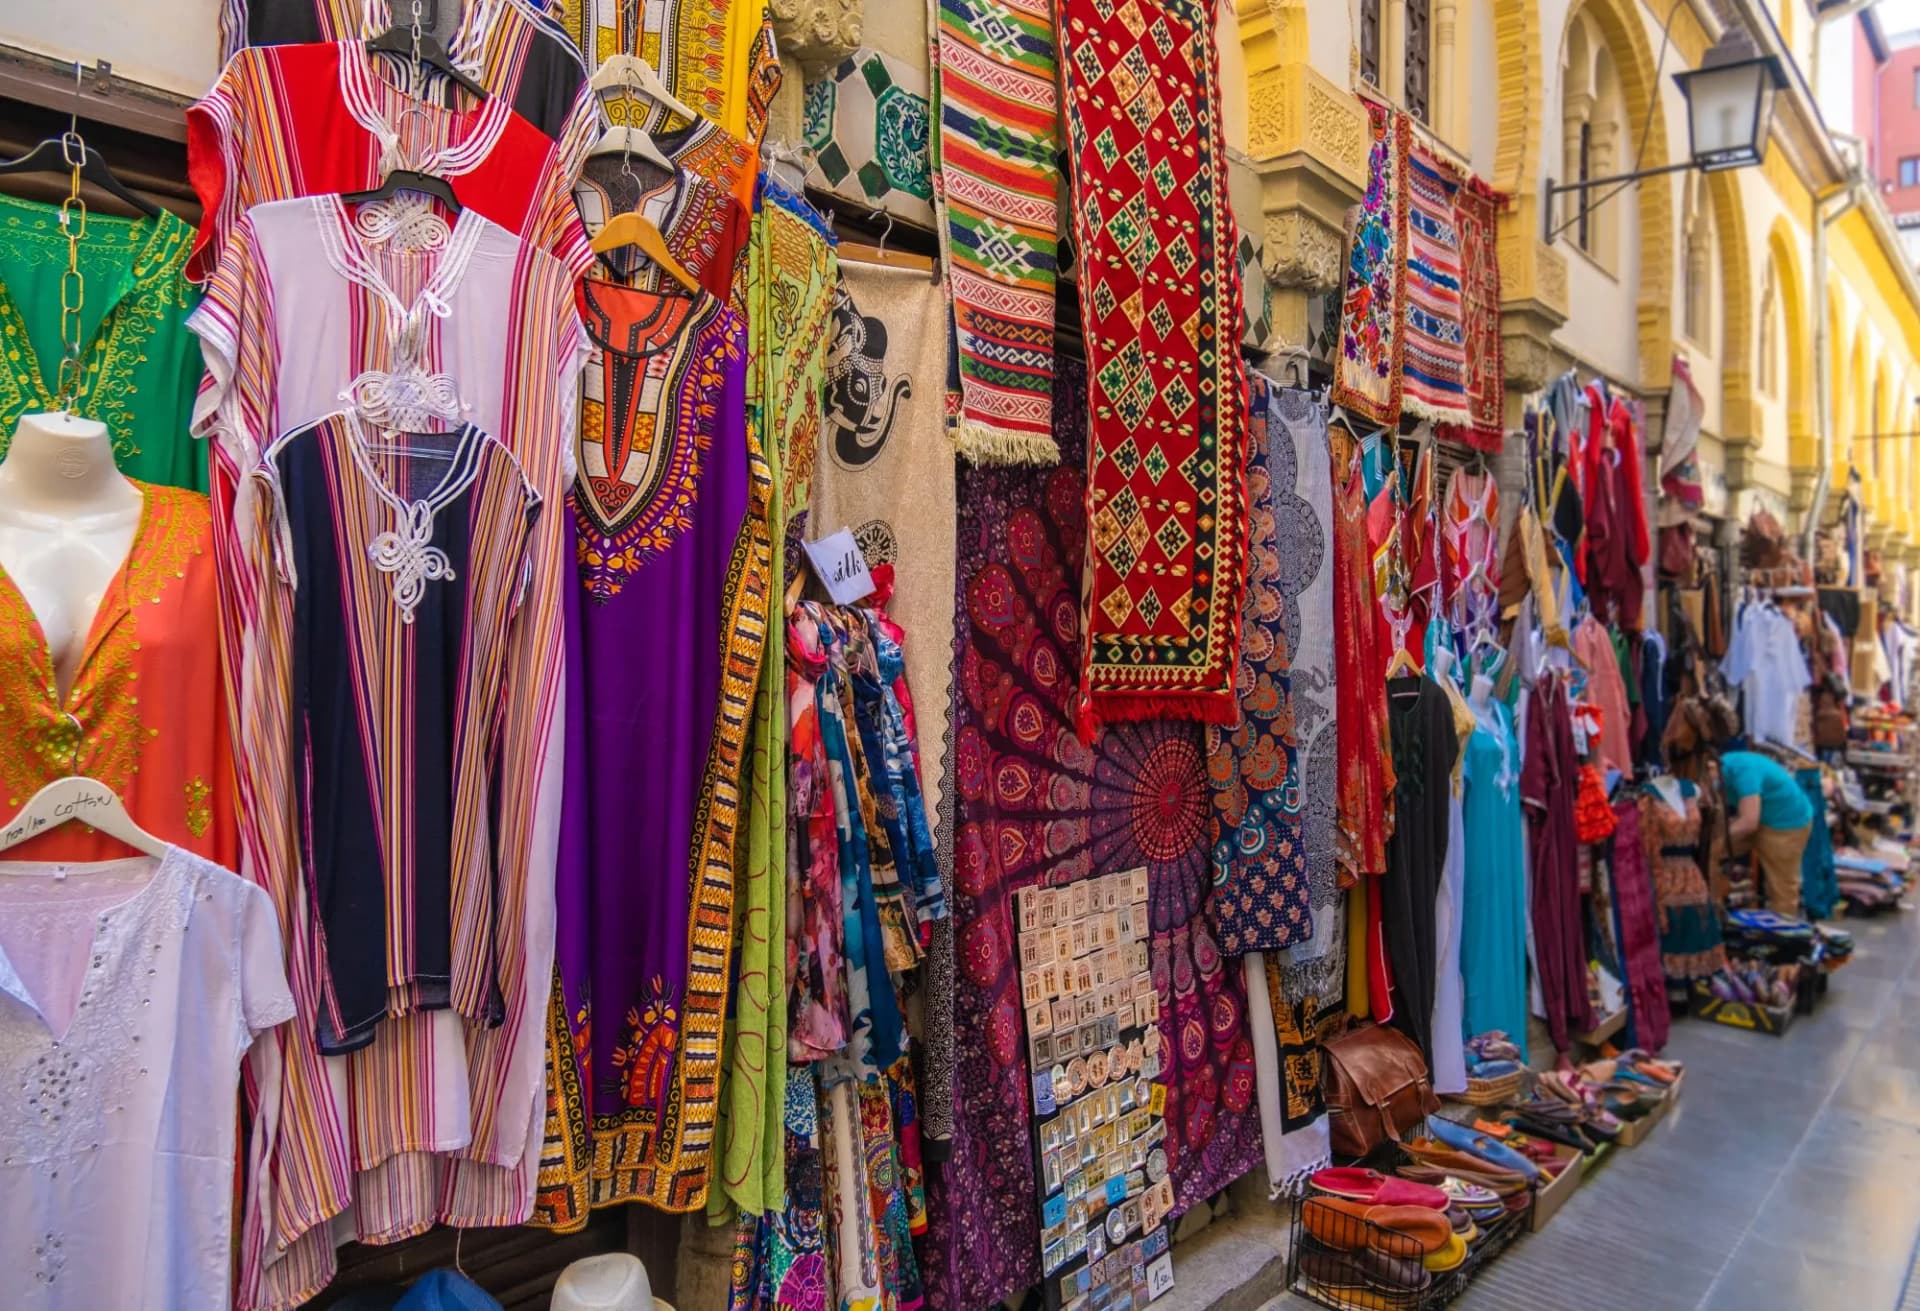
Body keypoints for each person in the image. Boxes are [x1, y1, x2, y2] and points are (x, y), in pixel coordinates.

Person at [1721, 749, 1813, 915]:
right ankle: (1715, 914)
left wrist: (1721, 838)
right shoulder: (1726, 766)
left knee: (1782, 888)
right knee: (1713, 853)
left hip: (1787, 823)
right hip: (1765, 815)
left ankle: (1783, 934)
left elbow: (1749, 822)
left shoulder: (1742, 771)